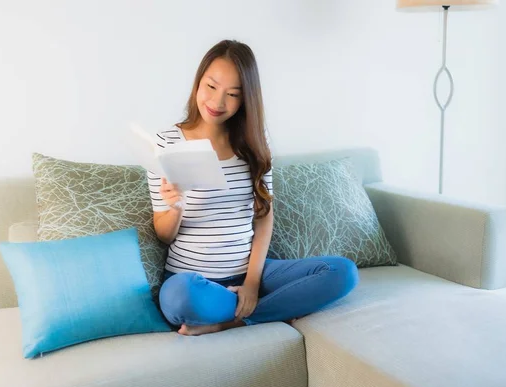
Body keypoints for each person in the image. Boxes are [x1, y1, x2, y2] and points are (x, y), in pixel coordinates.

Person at [148, 39, 359, 336]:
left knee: (342, 273)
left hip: (246, 271)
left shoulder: (255, 144)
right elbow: (164, 234)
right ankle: (261, 311)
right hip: (192, 282)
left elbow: (263, 216)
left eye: (232, 94)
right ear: (198, 83)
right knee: (179, 296)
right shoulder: (166, 142)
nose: (217, 103)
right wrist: (175, 205)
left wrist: (251, 284)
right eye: (211, 87)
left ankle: (233, 320)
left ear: (246, 99)